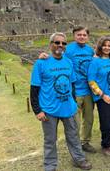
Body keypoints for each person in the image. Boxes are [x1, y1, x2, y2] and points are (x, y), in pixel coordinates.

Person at [30, 32, 92, 171]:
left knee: (73, 136)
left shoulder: (68, 62)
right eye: (57, 42)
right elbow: (34, 88)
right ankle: (50, 166)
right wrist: (37, 110)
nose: (60, 45)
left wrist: (74, 102)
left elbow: (73, 84)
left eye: (63, 43)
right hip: (49, 109)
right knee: (50, 140)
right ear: (51, 44)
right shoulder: (41, 63)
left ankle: (79, 159)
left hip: (68, 108)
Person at [39, 26, 96, 153]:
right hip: (73, 91)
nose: (82, 37)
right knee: (74, 123)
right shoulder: (68, 49)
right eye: (79, 35)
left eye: (84, 35)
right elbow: (56, 55)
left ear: (87, 37)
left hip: (88, 91)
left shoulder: (90, 50)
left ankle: (85, 142)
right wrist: (44, 56)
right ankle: (75, 145)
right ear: (74, 36)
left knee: (89, 119)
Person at [87, 37, 110, 158]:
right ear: (100, 47)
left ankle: (109, 139)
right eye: (104, 45)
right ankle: (105, 145)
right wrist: (102, 94)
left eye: (109, 46)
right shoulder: (95, 62)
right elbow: (91, 81)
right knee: (106, 121)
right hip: (103, 96)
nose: (107, 48)